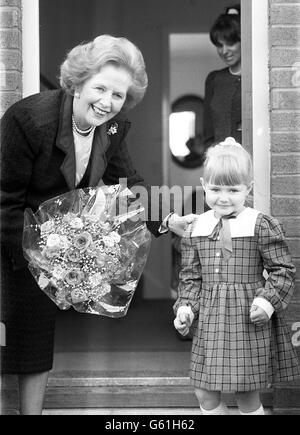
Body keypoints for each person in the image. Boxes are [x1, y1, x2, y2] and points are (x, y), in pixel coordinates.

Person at [0, 34, 193, 415]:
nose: (107, 102)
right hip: (8, 241)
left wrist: (167, 219)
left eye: (118, 95)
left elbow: (128, 186)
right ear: (77, 82)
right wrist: (31, 261)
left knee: (36, 342)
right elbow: (4, 198)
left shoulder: (114, 129)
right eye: (100, 88)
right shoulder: (29, 119)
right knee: (4, 341)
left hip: (48, 249)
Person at [173, 137, 300, 415]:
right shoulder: (196, 227)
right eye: (216, 188)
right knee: (204, 391)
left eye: (233, 189)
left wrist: (266, 303)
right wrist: (185, 309)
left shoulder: (259, 224)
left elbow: (282, 271)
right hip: (210, 319)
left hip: (247, 318)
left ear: (248, 189)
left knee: (245, 392)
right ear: (204, 185)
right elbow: (190, 279)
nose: (223, 197)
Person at [203, 5, 242, 147]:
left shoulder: (257, 78)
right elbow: (208, 134)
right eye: (219, 45)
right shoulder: (214, 80)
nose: (224, 50)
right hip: (219, 164)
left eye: (230, 43)